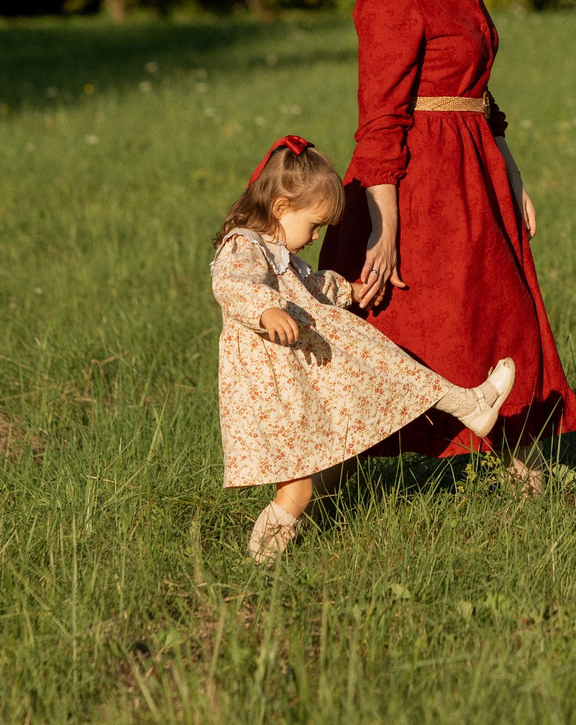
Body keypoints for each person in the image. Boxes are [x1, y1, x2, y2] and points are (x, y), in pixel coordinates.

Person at [318, 0, 576, 489]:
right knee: (395, 333)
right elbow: (379, 114)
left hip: (475, 172)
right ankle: (311, 491)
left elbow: (477, 91)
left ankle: (527, 468)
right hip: (416, 180)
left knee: (498, 316)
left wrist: (511, 167)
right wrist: (383, 221)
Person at [212, 136, 515, 563]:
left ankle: (469, 403)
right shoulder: (245, 246)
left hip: (297, 381)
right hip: (274, 393)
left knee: (383, 366)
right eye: (314, 225)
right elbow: (232, 284)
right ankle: (260, 562)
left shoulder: (280, 253)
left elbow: (310, 287)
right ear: (281, 208)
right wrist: (265, 311)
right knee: (299, 485)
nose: (317, 236)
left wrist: (350, 291)